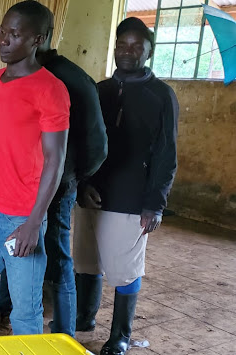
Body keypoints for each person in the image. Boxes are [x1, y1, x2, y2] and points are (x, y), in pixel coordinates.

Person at [0, 2, 108, 337]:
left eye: (14, 34)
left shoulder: (51, 90)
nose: (3, 41)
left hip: (21, 217)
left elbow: (55, 159)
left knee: (26, 311)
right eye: (1, 33)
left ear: (37, 39)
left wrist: (33, 223)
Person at [73, 17, 178, 355]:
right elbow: (83, 142)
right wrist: (82, 183)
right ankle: (84, 318)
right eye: (122, 45)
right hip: (92, 192)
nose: (128, 51)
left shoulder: (161, 95)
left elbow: (166, 152)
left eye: (136, 46)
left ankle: (119, 334)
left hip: (132, 198)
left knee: (125, 267)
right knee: (86, 261)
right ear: (114, 47)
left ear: (149, 50)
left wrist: (155, 203)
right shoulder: (99, 90)